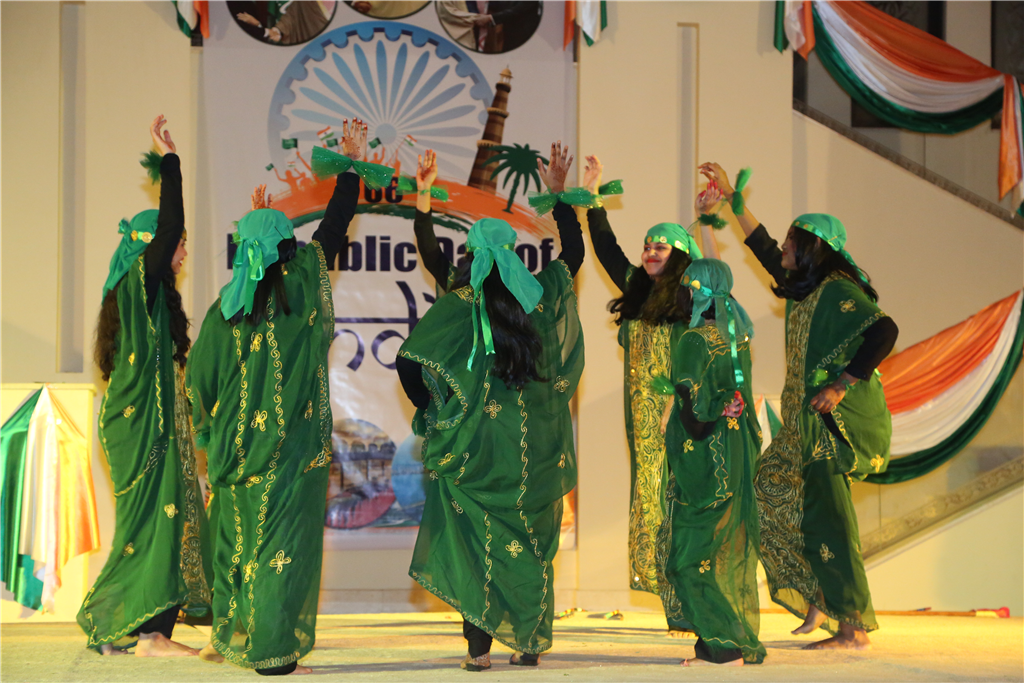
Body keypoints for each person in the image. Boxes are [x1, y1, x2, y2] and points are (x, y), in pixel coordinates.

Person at [186, 120, 370, 675]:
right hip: (290, 454)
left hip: (234, 455)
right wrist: (350, 168)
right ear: (288, 248)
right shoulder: (302, 285)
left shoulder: (223, 310)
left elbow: (199, 385)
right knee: (278, 549)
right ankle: (271, 654)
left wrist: (211, 437)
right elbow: (333, 228)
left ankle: (235, 635)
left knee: (238, 545)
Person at [396, 143, 583, 670]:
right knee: (530, 541)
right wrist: (561, 196)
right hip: (533, 452)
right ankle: (529, 642)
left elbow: (408, 360)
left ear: (471, 255)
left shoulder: (461, 300)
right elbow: (573, 255)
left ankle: (478, 652)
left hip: (475, 449)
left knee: (475, 543)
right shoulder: (539, 296)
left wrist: (436, 411)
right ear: (514, 252)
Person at [699, 162, 899, 650]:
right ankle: (820, 594)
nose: (784, 248)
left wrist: (843, 385)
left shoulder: (838, 292)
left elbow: (884, 330)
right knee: (768, 489)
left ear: (813, 248)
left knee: (831, 519)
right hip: (802, 425)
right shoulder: (805, 290)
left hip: (830, 426)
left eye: (792, 241)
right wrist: (733, 204)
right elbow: (765, 250)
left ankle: (852, 626)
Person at [78, 115, 212, 656]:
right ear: (151, 246)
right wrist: (170, 162)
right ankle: (142, 631)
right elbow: (169, 225)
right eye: (178, 244)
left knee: (159, 523)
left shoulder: (144, 301)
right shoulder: (141, 282)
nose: (182, 252)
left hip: (139, 428)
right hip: (139, 432)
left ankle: (136, 631)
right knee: (153, 524)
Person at [581, 155, 703, 634]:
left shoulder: (691, 297)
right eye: (647, 245)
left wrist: (680, 400)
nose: (650, 251)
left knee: (679, 502)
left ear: (680, 254)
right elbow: (607, 249)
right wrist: (593, 198)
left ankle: (692, 601)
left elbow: (703, 354)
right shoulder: (637, 290)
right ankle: (675, 603)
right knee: (651, 504)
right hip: (642, 427)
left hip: (679, 420)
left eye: (660, 246)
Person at [661, 257, 766, 667]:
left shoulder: (693, 340)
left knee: (686, 558)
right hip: (734, 453)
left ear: (695, 292)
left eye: (684, 286)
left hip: (704, 459)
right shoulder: (737, 338)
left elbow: (693, 414)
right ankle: (711, 643)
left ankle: (725, 646)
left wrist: (687, 421)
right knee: (717, 550)